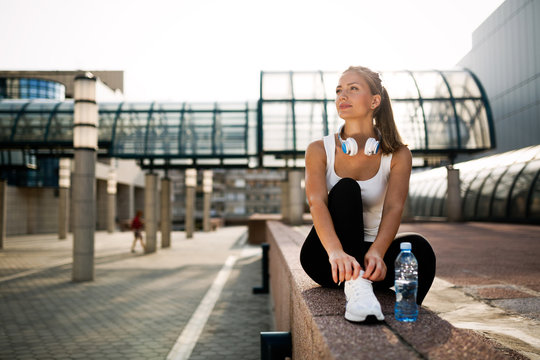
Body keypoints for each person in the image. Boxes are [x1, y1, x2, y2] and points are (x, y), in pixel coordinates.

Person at [300, 66, 436, 322]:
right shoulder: (319, 149)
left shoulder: (398, 154)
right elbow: (316, 202)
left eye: (353, 89)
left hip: (372, 257)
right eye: (339, 90)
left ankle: (408, 320)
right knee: (347, 189)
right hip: (328, 259)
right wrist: (336, 252)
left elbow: (394, 208)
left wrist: (377, 251)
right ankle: (356, 287)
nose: (342, 96)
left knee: (420, 249)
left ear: (375, 101)